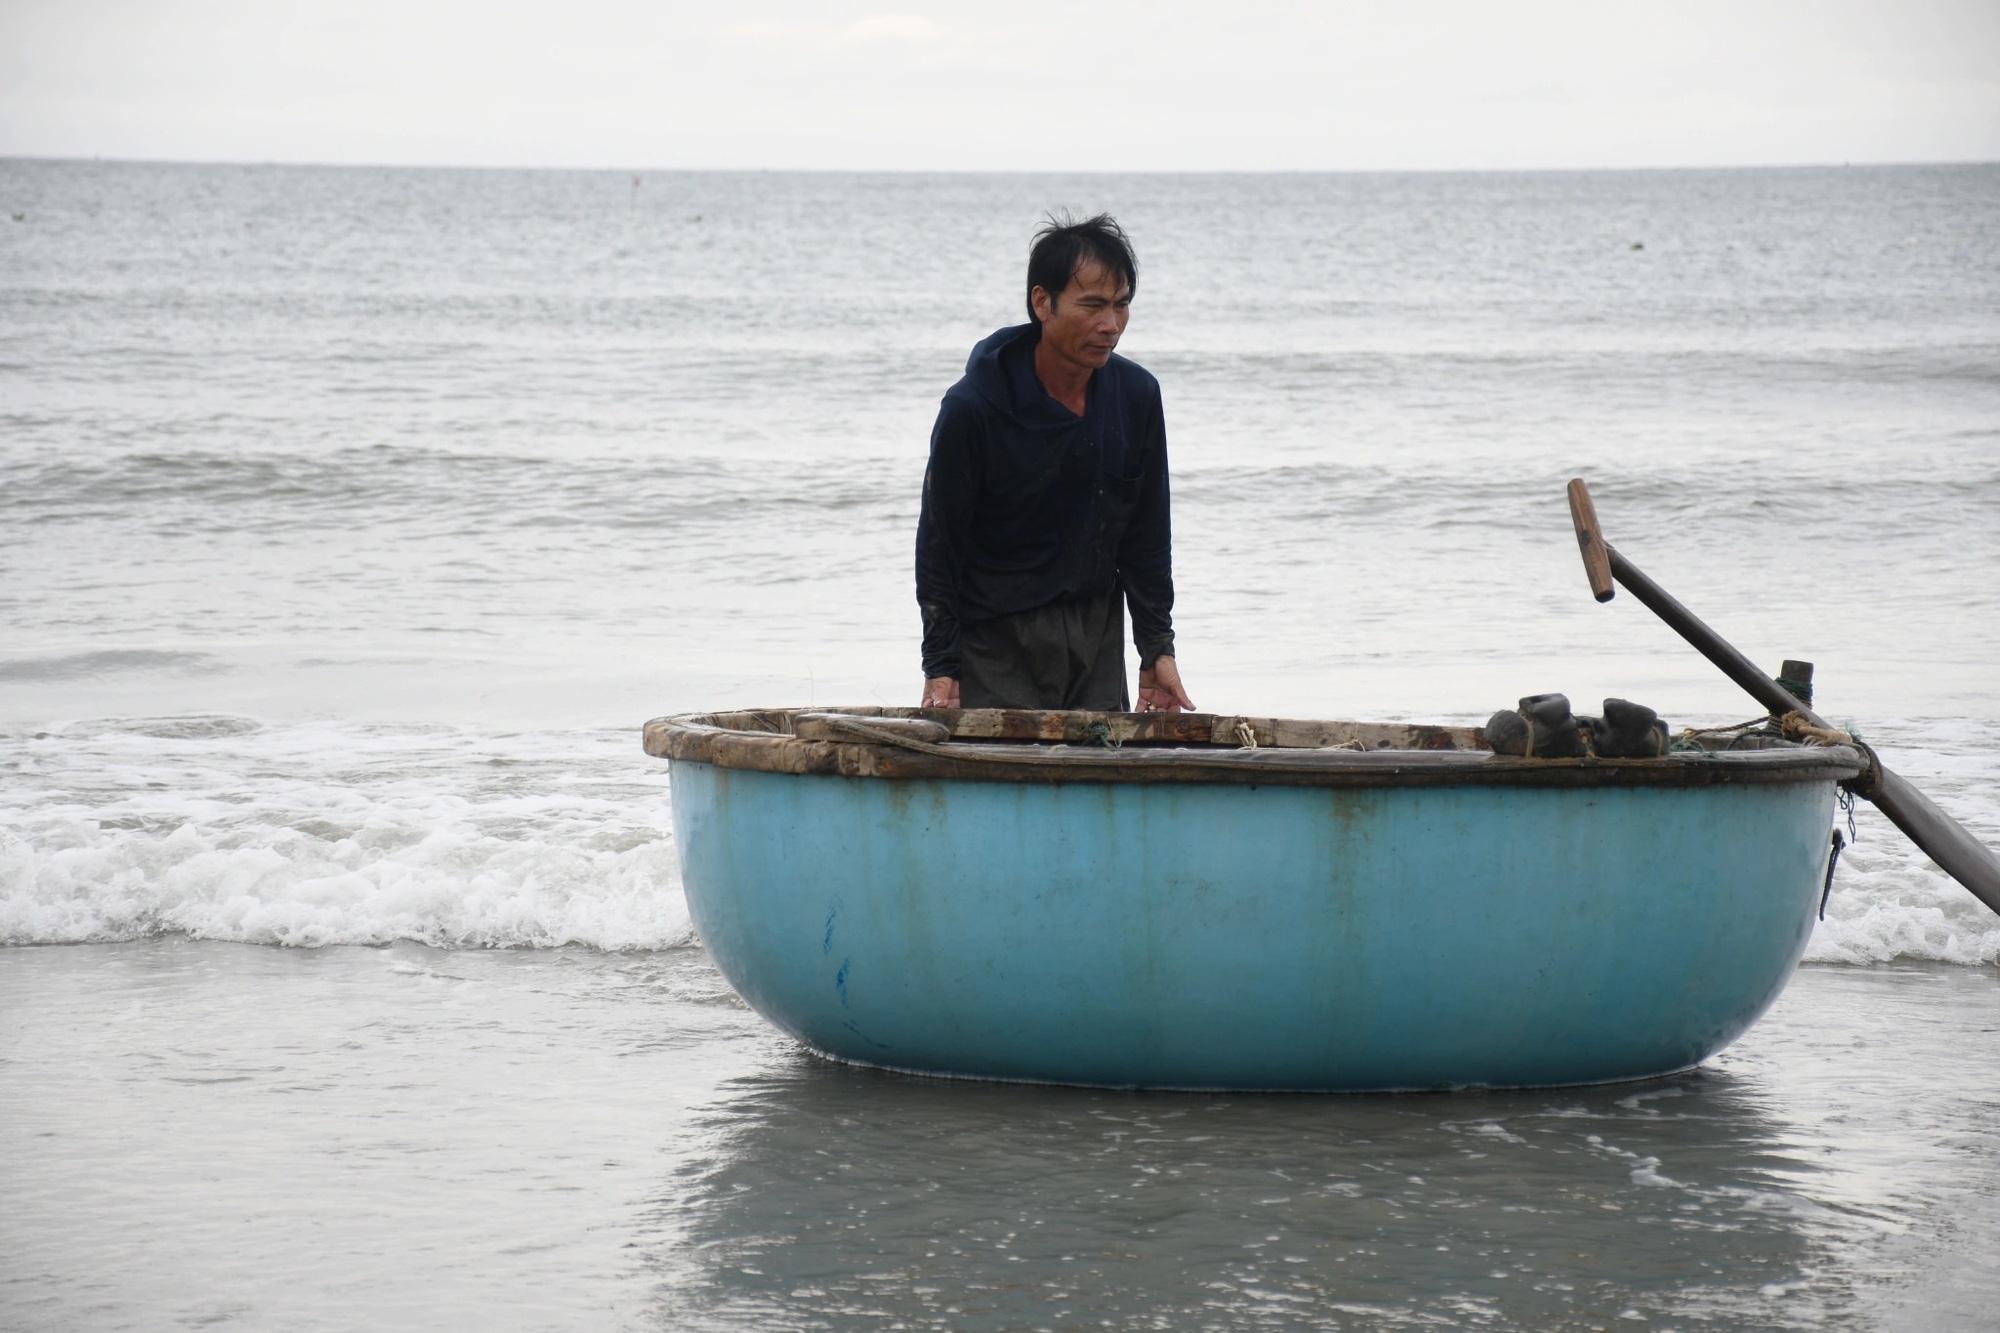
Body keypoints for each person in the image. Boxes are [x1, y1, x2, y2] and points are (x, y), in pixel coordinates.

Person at [914, 213, 1194, 713]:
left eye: (1121, 305)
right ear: (1043, 302)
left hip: (1096, 637)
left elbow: (1147, 537)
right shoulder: (973, 409)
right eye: (1092, 306)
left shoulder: (1136, 397)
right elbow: (940, 549)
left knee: (1100, 781)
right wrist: (941, 665)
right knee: (1001, 786)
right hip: (997, 642)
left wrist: (1157, 649)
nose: (1110, 325)